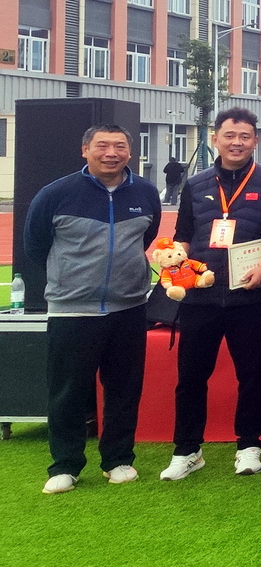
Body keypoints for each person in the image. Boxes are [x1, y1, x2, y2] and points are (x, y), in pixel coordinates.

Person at [25, 125, 162, 493]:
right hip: (72, 309)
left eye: (119, 146)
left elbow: (145, 238)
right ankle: (65, 466)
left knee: (123, 389)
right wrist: (72, 280)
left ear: (130, 153)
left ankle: (118, 460)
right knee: (67, 391)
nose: (111, 153)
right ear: (85, 149)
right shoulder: (56, 194)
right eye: (102, 145)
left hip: (129, 308)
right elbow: (35, 245)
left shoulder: (145, 192)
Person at [160, 108, 261, 481]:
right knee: (191, 377)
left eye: (245, 136)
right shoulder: (195, 184)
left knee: (252, 375)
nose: (237, 142)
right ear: (215, 138)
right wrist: (172, 264)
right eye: (229, 135)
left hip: (250, 297)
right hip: (201, 298)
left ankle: (249, 445)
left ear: (255, 141)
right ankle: (187, 450)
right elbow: (183, 235)